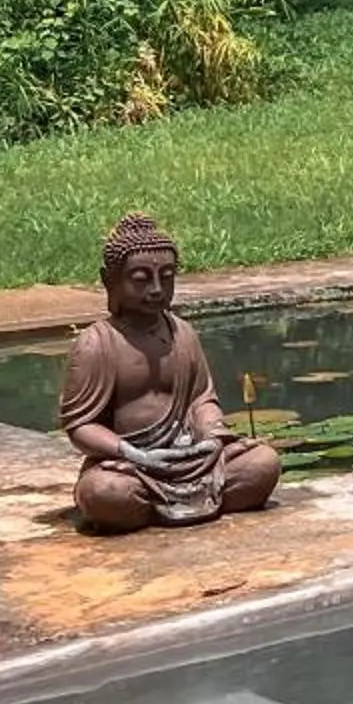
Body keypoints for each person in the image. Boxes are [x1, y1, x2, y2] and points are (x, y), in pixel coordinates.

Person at [58, 212, 280, 533]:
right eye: (141, 279)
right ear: (110, 281)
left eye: (167, 277)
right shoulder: (97, 343)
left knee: (263, 463)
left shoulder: (183, 334)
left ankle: (157, 509)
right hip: (133, 466)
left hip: (192, 459)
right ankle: (153, 504)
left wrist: (212, 437)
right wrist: (131, 453)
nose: (156, 289)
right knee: (103, 492)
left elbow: (202, 399)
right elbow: (80, 425)